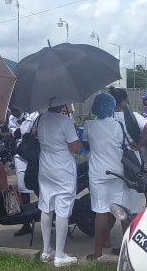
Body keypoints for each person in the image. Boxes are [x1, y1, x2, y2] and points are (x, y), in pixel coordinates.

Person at [37, 105, 81, 267]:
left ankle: (46, 250)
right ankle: (60, 254)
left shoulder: (41, 119)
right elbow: (75, 148)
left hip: (46, 168)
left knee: (46, 206)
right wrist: (75, 132)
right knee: (62, 210)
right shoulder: (65, 121)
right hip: (62, 169)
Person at [82, 93, 124, 259]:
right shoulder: (119, 125)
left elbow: (86, 145)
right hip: (118, 172)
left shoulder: (89, 125)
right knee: (121, 210)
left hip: (98, 173)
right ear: (112, 107)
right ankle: (126, 249)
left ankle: (98, 252)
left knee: (101, 210)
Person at [109, 87, 147, 214]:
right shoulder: (132, 116)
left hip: (112, 158)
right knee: (132, 196)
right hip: (132, 158)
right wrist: (140, 144)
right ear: (123, 101)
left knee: (115, 199)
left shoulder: (107, 117)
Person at [7, 108, 38, 237]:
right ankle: (26, 224)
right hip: (20, 155)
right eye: (11, 110)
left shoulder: (34, 113)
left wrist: (28, 131)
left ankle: (48, 217)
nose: (13, 113)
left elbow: (34, 132)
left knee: (39, 186)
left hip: (35, 153)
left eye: (15, 109)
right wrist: (28, 131)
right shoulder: (11, 119)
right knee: (23, 189)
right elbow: (18, 134)